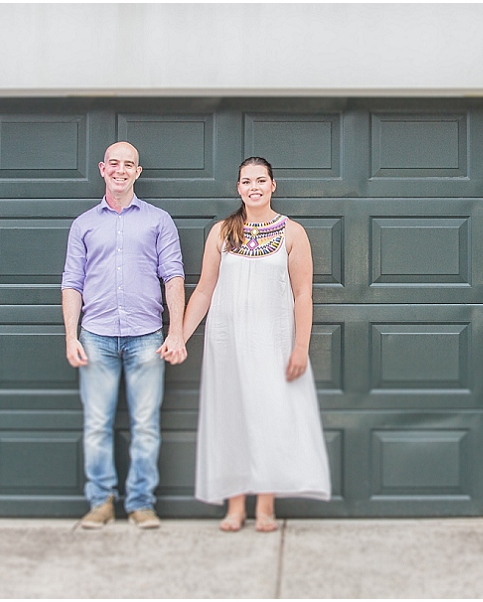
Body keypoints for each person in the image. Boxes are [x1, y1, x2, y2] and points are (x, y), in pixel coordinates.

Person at [181, 156, 331, 532]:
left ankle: (265, 505)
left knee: (269, 418)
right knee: (230, 417)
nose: (254, 187)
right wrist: (178, 336)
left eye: (260, 180)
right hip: (226, 343)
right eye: (246, 181)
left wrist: (300, 347)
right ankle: (234, 505)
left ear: (273, 185)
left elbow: (302, 295)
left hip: (273, 343)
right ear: (238, 188)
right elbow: (203, 291)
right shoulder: (221, 233)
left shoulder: (293, 233)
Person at [61, 141, 187, 530]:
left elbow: (174, 277)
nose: (120, 170)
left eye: (128, 164)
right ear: (102, 169)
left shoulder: (158, 220)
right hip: (95, 335)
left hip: (146, 336)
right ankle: (101, 502)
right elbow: (72, 283)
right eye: (113, 163)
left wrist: (177, 332)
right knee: (97, 424)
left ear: (138, 171)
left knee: (145, 425)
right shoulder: (84, 224)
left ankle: (140, 503)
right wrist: (71, 336)